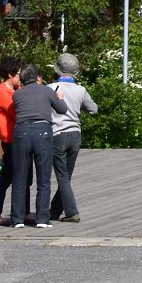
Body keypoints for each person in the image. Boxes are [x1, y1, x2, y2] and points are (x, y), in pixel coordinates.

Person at [7, 65, 65, 228]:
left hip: (21, 133)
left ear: (23, 79)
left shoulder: (17, 94)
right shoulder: (47, 91)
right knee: (44, 179)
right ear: (38, 78)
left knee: (19, 178)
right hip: (42, 132)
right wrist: (59, 98)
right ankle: (42, 219)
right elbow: (62, 110)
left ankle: (17, 218)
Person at [48, 53, 98, 223]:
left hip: (58, 135)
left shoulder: (51, 88)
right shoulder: (81, 90)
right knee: (66, 176)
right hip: (75, 135)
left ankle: (72, 212)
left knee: (62, 176)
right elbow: (94, 109)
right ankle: (54, 211)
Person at [0, 58, 24, 225]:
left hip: (13, 138)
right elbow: (17, 112)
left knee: (14, 175)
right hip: (10, 139)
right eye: (18, 74)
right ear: (10, 74)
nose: (20, 77)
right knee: (7, 176)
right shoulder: (4, 92)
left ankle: (5, 211)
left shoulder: (11, 90)